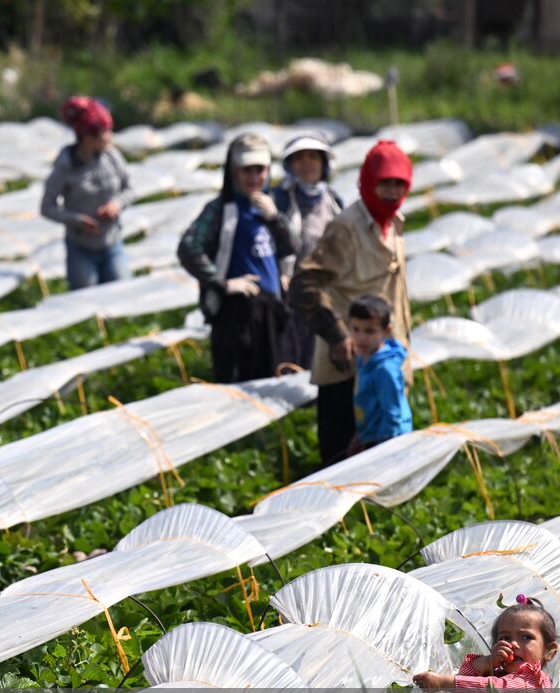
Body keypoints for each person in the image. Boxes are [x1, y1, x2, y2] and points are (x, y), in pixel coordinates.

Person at [290, 139, 413, 468]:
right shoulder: (346, 228)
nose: (390, 192)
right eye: (383, 183)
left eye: (398, 184)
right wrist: (337, 334)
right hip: (347, 364)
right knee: (341, 460)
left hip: (385, 357)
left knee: (383, 458)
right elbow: (304, 283)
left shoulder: (395, 224)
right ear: (367, 183)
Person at [176, 132, 295, 383]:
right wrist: (222, 283)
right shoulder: (221, 209)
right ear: (233, 172)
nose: (254, 178)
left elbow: (291, 246)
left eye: (259, 170)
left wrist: (275, 219)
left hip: (271, 311)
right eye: (246, 171)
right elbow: (188, 248)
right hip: (238, 314)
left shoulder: (270, 206)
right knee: (239, 384)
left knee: (272, 384)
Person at [40, 96, 136, 289]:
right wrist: (76, 219)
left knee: (122, 293)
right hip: (81, 247)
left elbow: (130, 189)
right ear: (87, 137)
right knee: (84, 299)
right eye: (105, 133)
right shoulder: (65, 166)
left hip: (112, 243)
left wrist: (117, 204)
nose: (110, 137)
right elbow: (47, 208)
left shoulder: (112, 157)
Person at [414, 595, 556, 693]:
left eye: (526, 637)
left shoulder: (533, 679)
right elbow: (466, 679)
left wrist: (445, 682)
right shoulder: (498, 673)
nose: (513, 644)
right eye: (505, 638)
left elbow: (495, 692)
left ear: (549, 651)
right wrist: (486, 662)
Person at [270, 132, 344, 370]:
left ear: (324, 164)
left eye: (313, 157)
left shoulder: (332, 199)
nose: (307, 164)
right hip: (289, 285)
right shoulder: (278, 198)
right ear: (290, 165)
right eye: (299, 158)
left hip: (324, 285)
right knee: (291, 343)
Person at [345, 295, 411, 454]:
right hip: (371, 433)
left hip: (389, 438)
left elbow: (392, 411)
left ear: (386, 331)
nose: (361, 337)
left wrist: (384, 447)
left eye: (369, 331)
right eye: (356, 329)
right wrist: (360, 435)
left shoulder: (384, 369)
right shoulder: (364, 358)